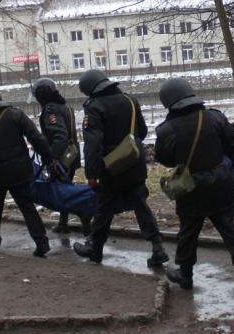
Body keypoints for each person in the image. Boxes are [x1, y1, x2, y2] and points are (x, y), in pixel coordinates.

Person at [154, 78, 234, 296]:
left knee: (188, 232)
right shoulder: (216, 118)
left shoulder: (167, 130)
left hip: (191, 188)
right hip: (221, 184)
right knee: (229, 230)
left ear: (169, 102)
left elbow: (166, 161)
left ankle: (185, 275)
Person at [71, 69, 170, 267]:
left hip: (112, 167)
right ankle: (157, 246)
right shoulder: (130, 100)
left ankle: (95, 248)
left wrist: (92, 174)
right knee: (140, 205)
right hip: (135, 162)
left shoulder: (94, 106)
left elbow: (93, 144)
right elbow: (141, 131)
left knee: (105, 208)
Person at [0, 85, 55, 258]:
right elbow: (37, 138)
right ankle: (41, 242)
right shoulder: (16, 114)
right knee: (27, 206)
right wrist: (47, 159)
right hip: (20, 171)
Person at [31, 77, 90, 236]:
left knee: (62, 192)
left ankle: (83, 214)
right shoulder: (65, 106)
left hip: (61, 159)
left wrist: (54, 157)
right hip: (71, 156)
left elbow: (60, 134)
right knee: (64, 190)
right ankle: (63, 224)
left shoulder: (50, 109)